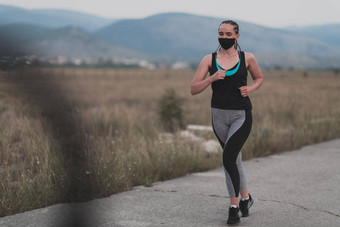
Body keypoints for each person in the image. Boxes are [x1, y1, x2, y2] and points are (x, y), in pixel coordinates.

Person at [190, 20, 263, 224]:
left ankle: (233, 207)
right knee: (234, 159)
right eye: (221, 33)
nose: (224, 37)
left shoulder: (247, 57)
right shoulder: (209, 59)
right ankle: (246, 199)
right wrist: (211, 79)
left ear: (237, 36)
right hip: (218, 116)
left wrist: (251, 89)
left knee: (228, 158)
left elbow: (259, 78)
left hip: (241, 115)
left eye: (229, 34)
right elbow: (193, 89)